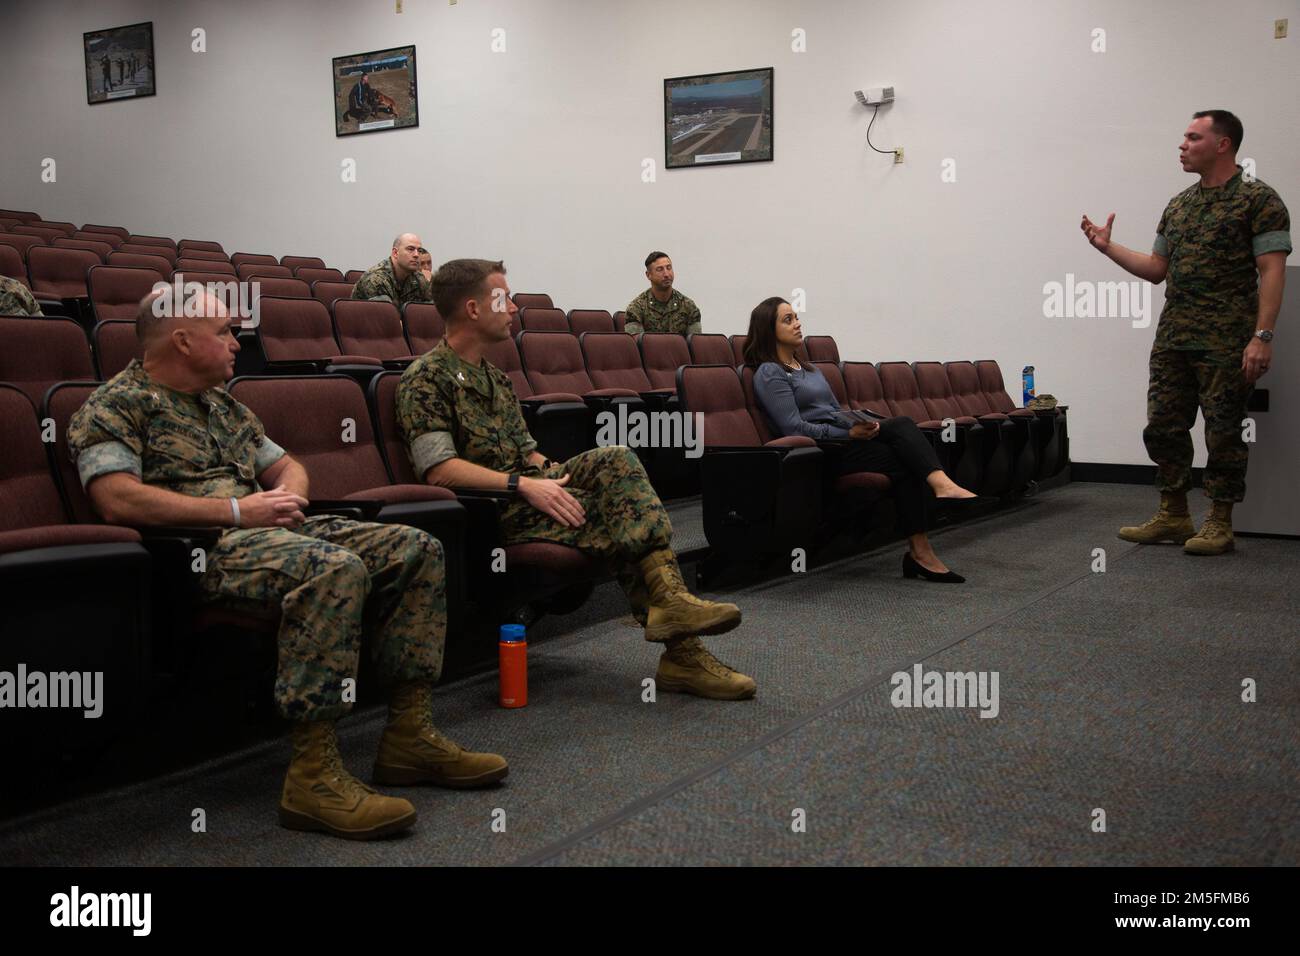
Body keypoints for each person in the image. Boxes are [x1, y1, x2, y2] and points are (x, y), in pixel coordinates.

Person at [67, 288, 506, 841]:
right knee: (334, 567)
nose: (236, 343)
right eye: (225, 331)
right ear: (182, 340)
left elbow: (287, 466)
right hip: (199, 551)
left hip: (269, 533)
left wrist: (285, 499)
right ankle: (313, 777)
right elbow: (117, 499)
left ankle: (409, 738)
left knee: (414, 547)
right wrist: (236, 510)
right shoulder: (115, 405)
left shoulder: (222, 403)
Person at [397, 258, 755, 700]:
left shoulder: (495, 379)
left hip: (532, 491)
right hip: (493, 510)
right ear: (473, 309)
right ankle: (681, 651)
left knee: (617, 458)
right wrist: (525, 486)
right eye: (503, 298)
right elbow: (439, 470)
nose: (513, 309)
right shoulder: (424, 378)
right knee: (619, 520)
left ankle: (671, 610)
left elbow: (529, 453)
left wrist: (553, 477)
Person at [1083, 110, 1290, 555]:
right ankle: (1174, 513)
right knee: (1164, 426)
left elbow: (1272, 271)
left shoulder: (1259, 200)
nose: (1182, 144)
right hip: (1174, 338)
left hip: (1227, 340)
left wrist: (1263, 336)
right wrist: (1107, 248)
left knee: (1223, 431)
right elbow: (1157, 269)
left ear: (1223, 144)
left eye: (1193, 137)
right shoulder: (1179, 205)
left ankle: (1220, 520)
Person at [746, 297, 977, 583]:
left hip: (846, 439)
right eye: (788, 319)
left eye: (796, 317)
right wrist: (848, 433)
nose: (798, 323)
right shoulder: (771, 372)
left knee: (902, 431)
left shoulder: (809, 370)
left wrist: (862, 423)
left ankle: (924, 542)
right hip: (822, 451)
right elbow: (793, 427)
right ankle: (925, 539)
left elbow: (834, 411)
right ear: (768, 329)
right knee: (906, 453)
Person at [623, 251, 701, 336]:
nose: (666, 274)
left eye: (669, 268)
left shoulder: (689, 307)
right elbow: (636, 346)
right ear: (648, 275)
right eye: (660, 269)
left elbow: (695, 345)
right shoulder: (636, 309)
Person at [351, 233, 433, 305]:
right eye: (410, 249)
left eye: (419, 250)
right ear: (395, 253)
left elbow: (433, 311)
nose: (416, 255)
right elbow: (387, 318)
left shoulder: (418, 278)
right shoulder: (376, 279)